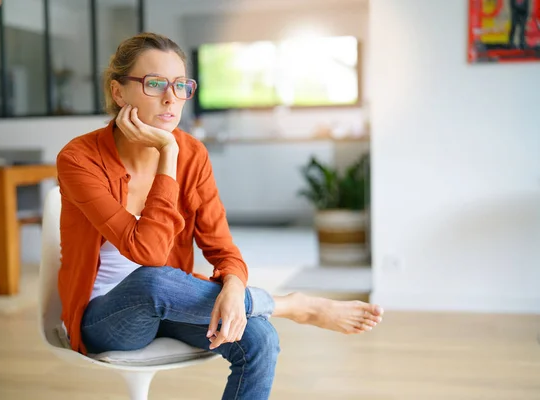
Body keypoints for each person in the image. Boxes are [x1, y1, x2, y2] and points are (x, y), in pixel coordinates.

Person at [56, 32, 384, 400]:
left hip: (171, 303)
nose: (171, 98)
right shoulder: (78, 159)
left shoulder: (193, 153)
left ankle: (267, 307)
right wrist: (167, 153)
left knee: (260, 338)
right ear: (119, 93)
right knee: (152, 281)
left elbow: (222, 247)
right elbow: (146, 252)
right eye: (155, 84)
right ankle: (291, 305)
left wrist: (233, 286)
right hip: (106, 317)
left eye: (180, 85)